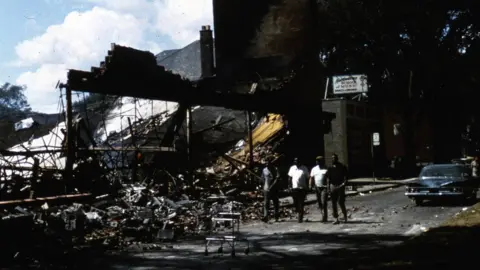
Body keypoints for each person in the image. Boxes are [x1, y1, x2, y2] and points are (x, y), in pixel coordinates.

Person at [326, 154, 348, 224]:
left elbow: (346, 177)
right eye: (332, 158)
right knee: (333, 203)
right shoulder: (330, 167)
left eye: (335, 158)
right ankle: (336, 218)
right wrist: (328, 187)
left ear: (337, 159)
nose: (333, 159)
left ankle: (345, 217)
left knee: (341, 202)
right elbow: (328, 178)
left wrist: (343, 184)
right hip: (333, 186)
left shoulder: (342, 166)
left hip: (340, 186)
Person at [288, 157, 309, 223]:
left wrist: (308, 187)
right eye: (295, 161)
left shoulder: (304, 168)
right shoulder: (292, 168)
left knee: (301, 203)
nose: (296, 162)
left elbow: (307, 178)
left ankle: (300, 217)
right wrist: (289, 186)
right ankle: (298, 211)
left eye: (297, 160)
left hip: (302, 189)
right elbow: (289, 178)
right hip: (294, 188)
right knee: (295, 203)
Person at [261, 157, 280, 222]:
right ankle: (265, 216)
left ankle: (276, 216)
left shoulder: (275, 169)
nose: (267, 164)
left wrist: (271, 186)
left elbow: (277, 179)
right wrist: (264, 186)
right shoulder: (264, 170)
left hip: (274, 189)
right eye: (266, 163)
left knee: (275, 202)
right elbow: (263, 179)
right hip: (266, 189)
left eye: (268, 163)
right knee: (266, 203)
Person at [310, 156, 328, 222]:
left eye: (319, 160)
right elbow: (311, 177)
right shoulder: (314, 169)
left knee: (324, 202)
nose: (317, 161)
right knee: (319, 202)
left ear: (322, 161)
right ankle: (322, 214)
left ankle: (325, 216)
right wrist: (310, 185)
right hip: (317, 187)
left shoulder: (326, 169)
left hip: (324, 188)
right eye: (317, 160)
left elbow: (329, 178)